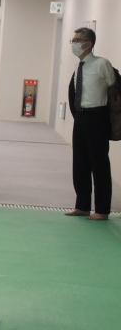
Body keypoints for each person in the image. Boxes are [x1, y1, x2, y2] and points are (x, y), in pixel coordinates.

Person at [66, 27, 115, 221]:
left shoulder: (102, 64)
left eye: (78, 39)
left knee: (99, 163)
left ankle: (102, 209)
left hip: (97, 117)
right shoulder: (79, 68)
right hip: (81, 117)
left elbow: (114, 90)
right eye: (74, 39)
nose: (74, 42)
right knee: (80, 162)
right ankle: (82, 206)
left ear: (89, 43)